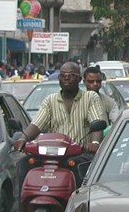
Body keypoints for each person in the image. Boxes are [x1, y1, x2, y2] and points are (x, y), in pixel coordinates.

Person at [13, 61, 108, 193]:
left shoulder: (90, 97)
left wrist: (95, 142)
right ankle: (24, 209)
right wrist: (23, 139)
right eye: (63, 75)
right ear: (59, 78)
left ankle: (77, 205)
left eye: (72, 75)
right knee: (24, 163)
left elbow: (97, 122)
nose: (67, 78)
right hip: (50, 156)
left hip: (79, 154)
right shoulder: (50, 100)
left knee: (81, 169)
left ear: (80, 79)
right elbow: (36, 124)